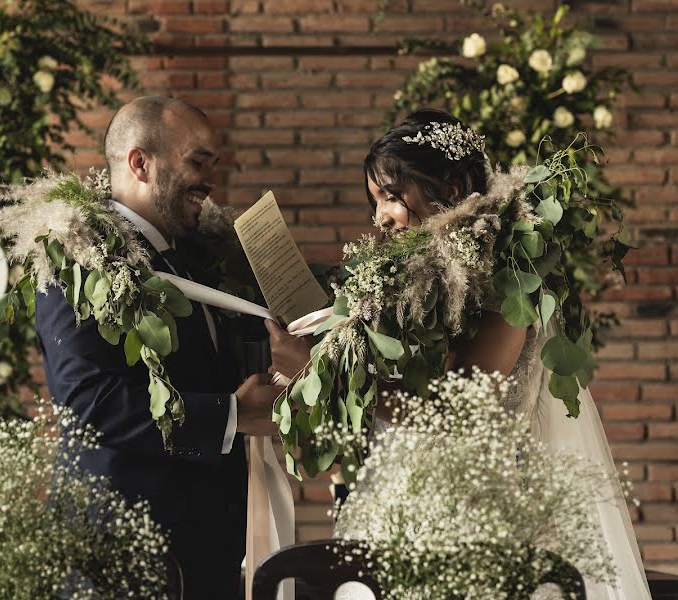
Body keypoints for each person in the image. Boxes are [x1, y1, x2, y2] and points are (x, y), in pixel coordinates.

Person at [269, 109, 650, 599]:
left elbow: (462, 409)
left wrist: (314, 370)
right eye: (374, 201)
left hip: (475, 522)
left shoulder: (509, 280)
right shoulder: (405, 288)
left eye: (389, 196)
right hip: (390, 513)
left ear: (448, 191)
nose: (379, 217)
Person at [35, 96, 282, 600]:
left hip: (202, 549)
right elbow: (89, 400)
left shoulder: (190, 258)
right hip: (125, 554)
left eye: (213, 164)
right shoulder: (79, 254)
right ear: (140, 163)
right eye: (197, 160)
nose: (210, 179)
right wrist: (231, 416)